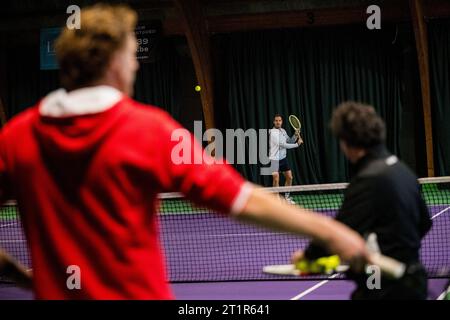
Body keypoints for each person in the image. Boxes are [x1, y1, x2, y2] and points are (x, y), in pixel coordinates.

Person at [0, 4, 367, 299]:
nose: (136, 64)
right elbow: (240, 199)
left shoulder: (15, 137)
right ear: (113, 63)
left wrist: (15, 273)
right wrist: (330, 231)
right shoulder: (147, 129)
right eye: (131, 55)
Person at [292, 101, 432, 300]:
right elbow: (425, 223)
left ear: (347, 141)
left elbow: (337, 233)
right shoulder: (403, 171)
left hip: (382, 288)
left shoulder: (369, 179)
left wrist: (308, 257)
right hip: (413, 281)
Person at [269, 114, 303, 204]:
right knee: (276, 179)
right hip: (274, 159)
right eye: (276, 121)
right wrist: (297, 144)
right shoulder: (272, 132)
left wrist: (295, 136)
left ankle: (286, 198)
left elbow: (289, 141)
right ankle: (276, 201)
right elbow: (282, 145)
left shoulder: (283, 131)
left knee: (289, 177)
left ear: (282, 122)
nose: (278, 122)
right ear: (273, 122)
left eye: (279, 120)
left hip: (283, 159)